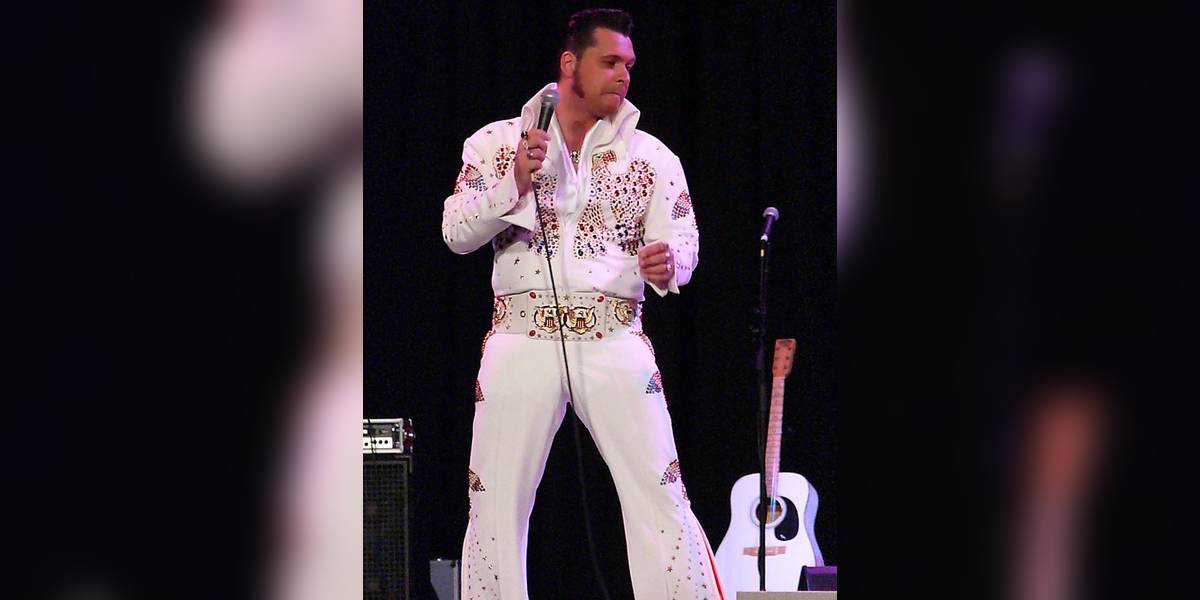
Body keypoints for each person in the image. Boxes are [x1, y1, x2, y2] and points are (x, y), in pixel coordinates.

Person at [441, 8, 724, 599]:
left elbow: (685, 239)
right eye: (610, 61)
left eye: (629, 64)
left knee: (661, 494)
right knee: (493, 504)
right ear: (570, 63)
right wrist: (513, 182)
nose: (624, 74)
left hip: (613, 334)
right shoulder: (497, 142)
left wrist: (670, 263)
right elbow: (456, 231)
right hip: (520, 335)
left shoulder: (651, 155)